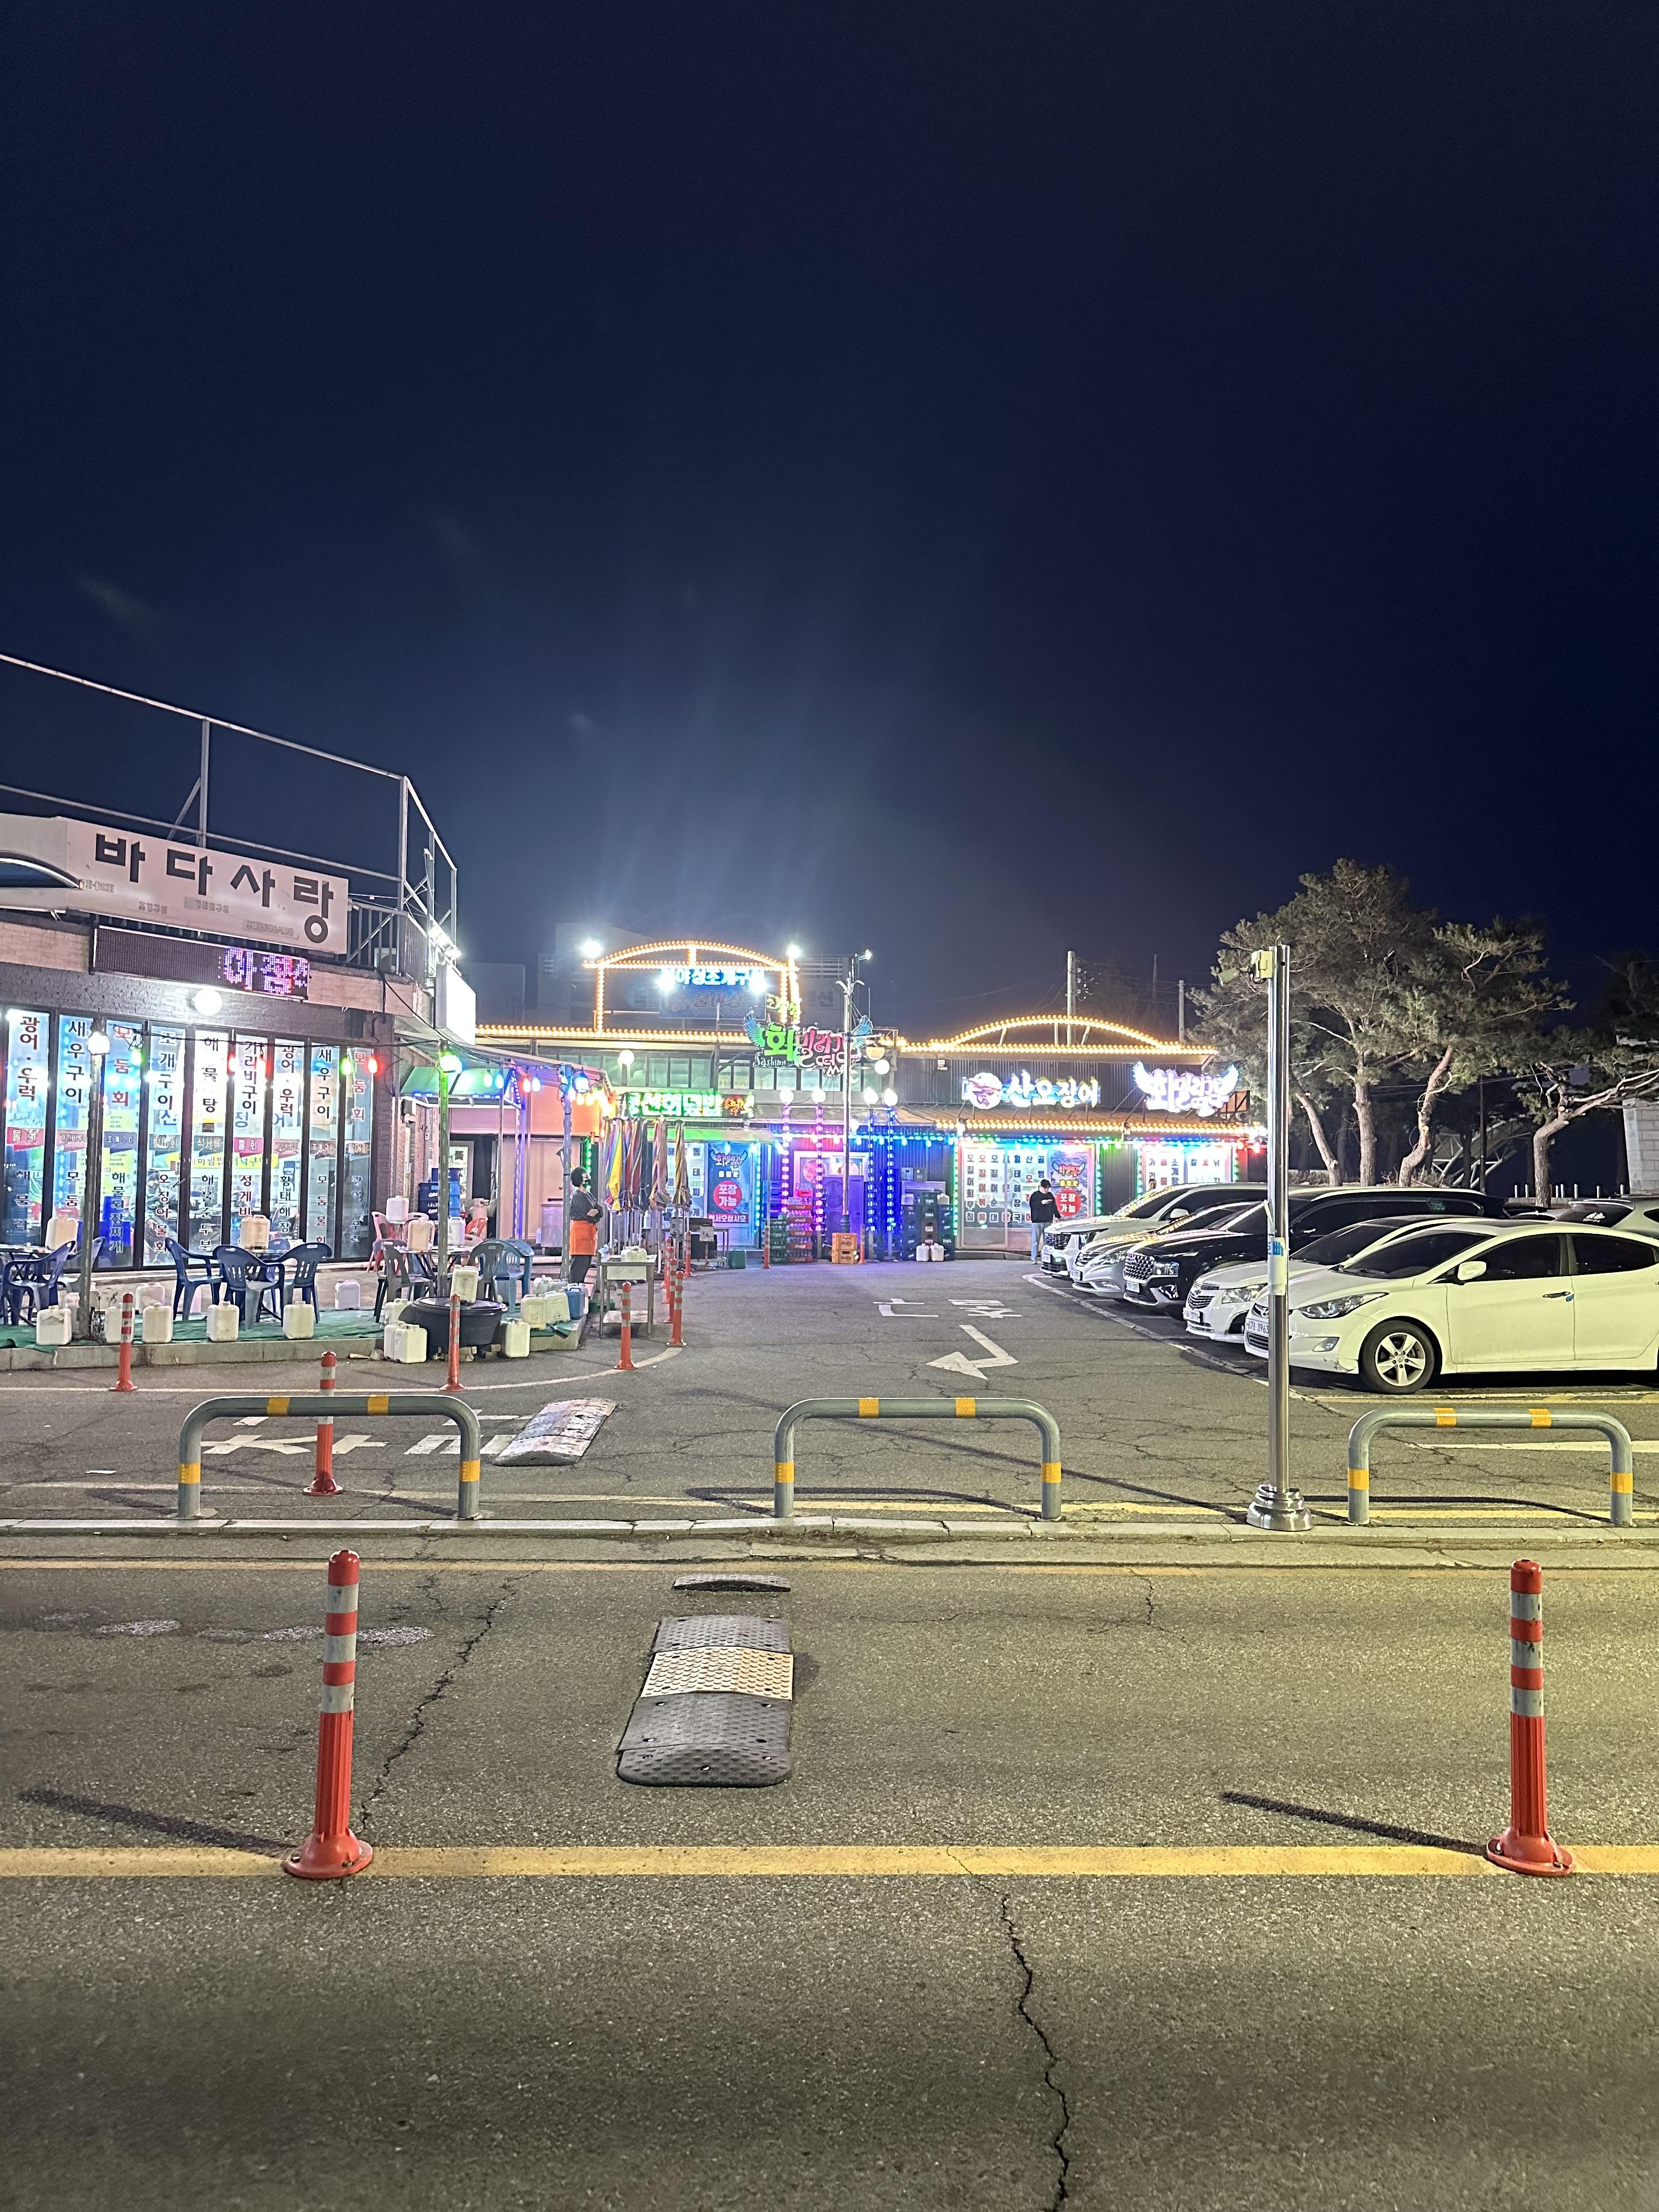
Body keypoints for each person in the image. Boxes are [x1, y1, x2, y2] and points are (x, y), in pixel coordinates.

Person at [565, 1170, 603, 1284]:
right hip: (581, 1237)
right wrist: (596, 1214)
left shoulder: (588, 1195)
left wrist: (597, 1211)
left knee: (586, 1265)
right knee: (578, 1269)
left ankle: (578, 1290)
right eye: (585, 1177)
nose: (588, 1178)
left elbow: (600, 1210)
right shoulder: (577, 1197)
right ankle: (574, 1290)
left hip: (589, 1236)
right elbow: (589, 1216)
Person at [1028, 1176, 1058, 1262]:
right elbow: (1033, 1206)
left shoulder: (1050, 1195)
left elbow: (1054, 1207)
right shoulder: (1035, 1195)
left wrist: (1057, 1216)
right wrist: (1042, 1203)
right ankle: (1034, 1259)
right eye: (1045, 1188)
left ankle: (1046, 1259)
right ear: (1041, 1187)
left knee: (1047, 1242)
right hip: (1037, 1221)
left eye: (1048, 1188)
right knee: (1035, 1241)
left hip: (1048, 1221)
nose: (1046, 1190)